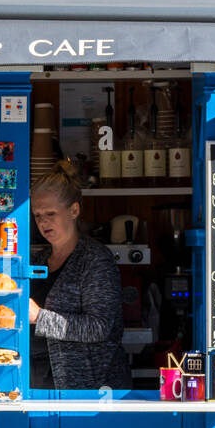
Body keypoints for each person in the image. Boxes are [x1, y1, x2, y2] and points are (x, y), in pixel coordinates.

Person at [28, 159, 132, 391]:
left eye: (50, 213)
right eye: (37, 215)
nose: (43, 222)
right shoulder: (37, 260)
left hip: (89, 389)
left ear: (74, 210)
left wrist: (39, 317)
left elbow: (99, 326)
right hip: (38, 383)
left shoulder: (95, 260)